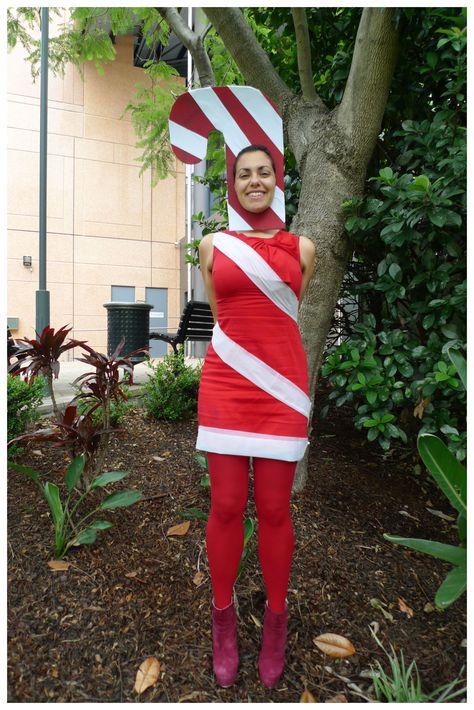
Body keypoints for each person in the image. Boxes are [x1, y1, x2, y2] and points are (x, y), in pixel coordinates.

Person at [197, 144, 315, 688]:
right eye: (244, 174)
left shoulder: (303, 248)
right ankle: (223, 622)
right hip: (226, 382)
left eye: (263, 172)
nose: (254, 181)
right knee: (224, 506)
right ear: (232, 184)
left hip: (281, 389)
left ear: (277, 181)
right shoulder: (212, 245)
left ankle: (274, 620)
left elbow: (286, 315)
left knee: (273, 509)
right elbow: (224, 318)